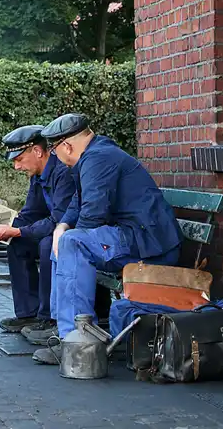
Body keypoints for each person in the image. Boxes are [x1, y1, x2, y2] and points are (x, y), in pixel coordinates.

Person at [33, 113, 183, 365]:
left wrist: (70, 238)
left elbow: (93, 213)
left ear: (66, 146)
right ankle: (62, 328)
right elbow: (79, 201)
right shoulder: (95, 154)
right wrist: (62, 226)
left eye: (54, 150)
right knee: (65, 240)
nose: (55, 156)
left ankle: (75, 340)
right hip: (137, 237)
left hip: (148, 244)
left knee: (72, 243)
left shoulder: (98, 158)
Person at [0, 125, 76, 335]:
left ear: (37, 151)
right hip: (55, 229)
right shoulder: (38, 175)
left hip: (72, 232)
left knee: (47, 245)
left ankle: (49, 318)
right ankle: (28, 313)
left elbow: (59, 220)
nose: (16, 167)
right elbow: (30, 214)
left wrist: (17, 231)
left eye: (19, 159)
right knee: (17, 243)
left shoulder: (63, 172)